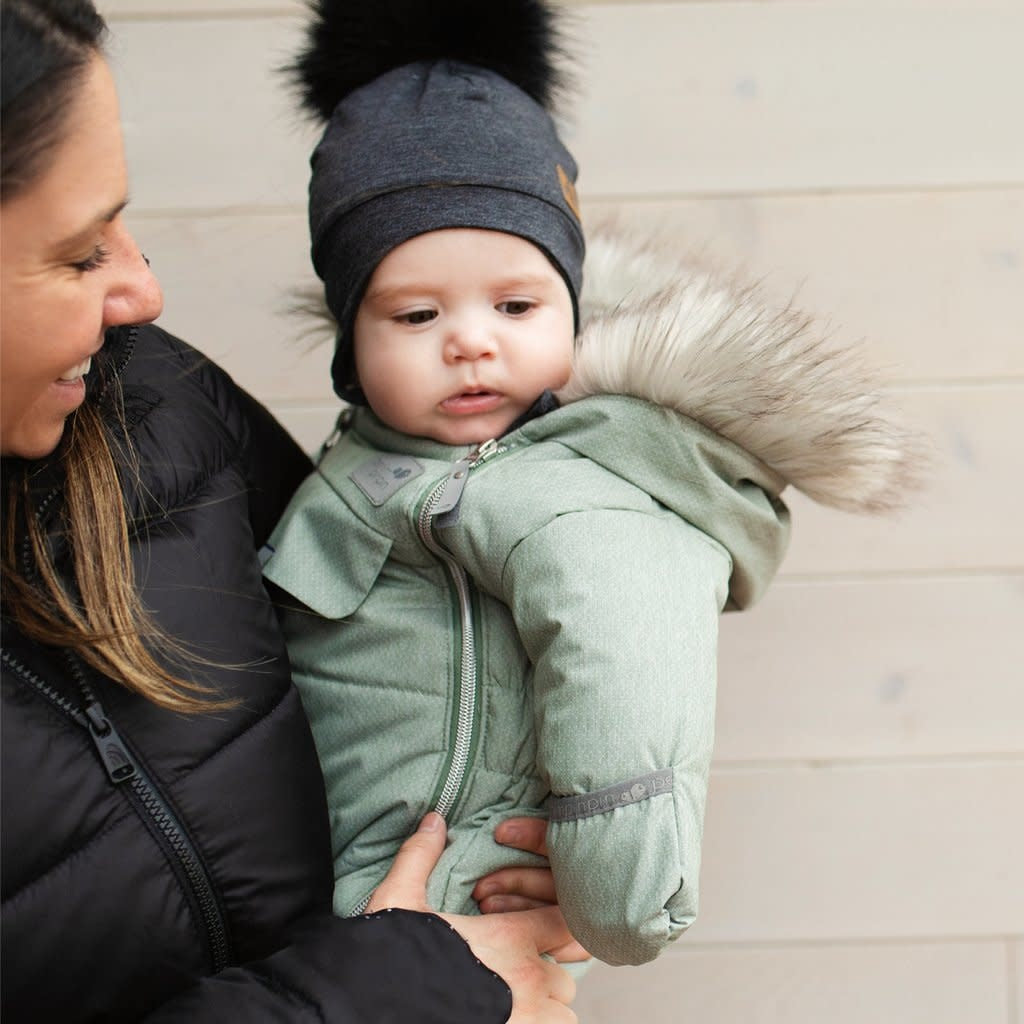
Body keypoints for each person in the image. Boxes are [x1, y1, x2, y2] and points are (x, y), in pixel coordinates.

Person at [262, 0, 922, 970]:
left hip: (462, 906)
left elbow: (629, 652)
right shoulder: (366, 467)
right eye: (413, 313)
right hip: (341, 921)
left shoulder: (569, 489)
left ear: (573, 308)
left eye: (517, 303)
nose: (471, 339)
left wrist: (616, 882)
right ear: (348, 348)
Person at [0, 1, 586, 1020]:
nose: (143, 289)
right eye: (79, 253)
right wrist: (400, 988)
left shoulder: (157, 411)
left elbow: (401, 656)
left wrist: (513, 829)